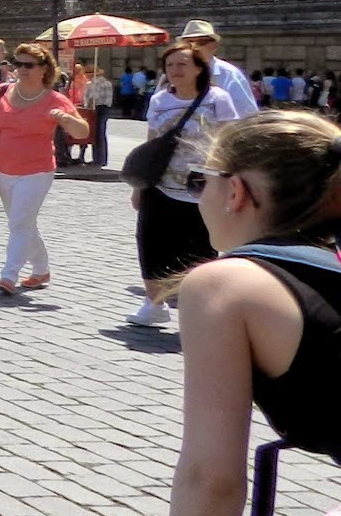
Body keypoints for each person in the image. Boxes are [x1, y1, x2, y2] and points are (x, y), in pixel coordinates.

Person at [122, 112, 341, 516]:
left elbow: (210, 479)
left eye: (201, 179)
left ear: (237, 191)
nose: (200, 195)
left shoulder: (226, 284)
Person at [0, 41, 89, 296]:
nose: (21, 69)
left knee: (20, 223)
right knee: (22, 221)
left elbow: (82, 131)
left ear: (44, 69)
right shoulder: (2, 91)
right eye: (18, 63)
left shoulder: (54, 99)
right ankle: (41, 269)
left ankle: (8, 275)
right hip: (3, 169)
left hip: (37, 171)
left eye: (28, 65)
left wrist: (66, 119)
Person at [127, 41, 236, 327]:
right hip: (160, 184)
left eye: (182, 64)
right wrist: (140, 185)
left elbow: (228, 142)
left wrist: (225, 182)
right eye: (170, 65)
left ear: (199, 68)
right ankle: (153, 303)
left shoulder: (218, 98)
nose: (175, 70)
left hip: (201, 187)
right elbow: (151, 143)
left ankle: (201, 308)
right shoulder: (159, 100)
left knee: (199, 249)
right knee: (151, 243)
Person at [178, 19, 260, 118]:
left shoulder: (229, 74)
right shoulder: (172, 74)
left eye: (201, 42)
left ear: (214, 45)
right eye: (189, 43)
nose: (194, 47)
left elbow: (247, 114)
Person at [78, 62, 114, 168]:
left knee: (95, 134)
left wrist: (87, 109)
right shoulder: (107, 82)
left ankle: (97, 159)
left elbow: (92, 98)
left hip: (96, 109)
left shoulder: (94, 83)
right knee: (101, 134)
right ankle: (102, 159)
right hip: (106, 109)